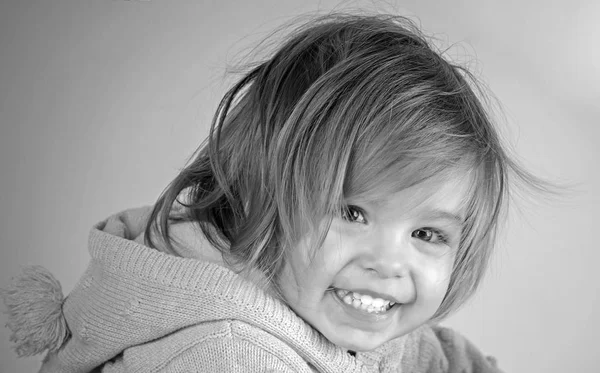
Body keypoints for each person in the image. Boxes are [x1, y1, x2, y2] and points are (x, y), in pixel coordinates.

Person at [2, 12, 540, 372]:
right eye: (352, 211)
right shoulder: (231, 355)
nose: (389, 263)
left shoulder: (337, 303)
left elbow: (434, 357)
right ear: (255, 194)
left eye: (427, 233)